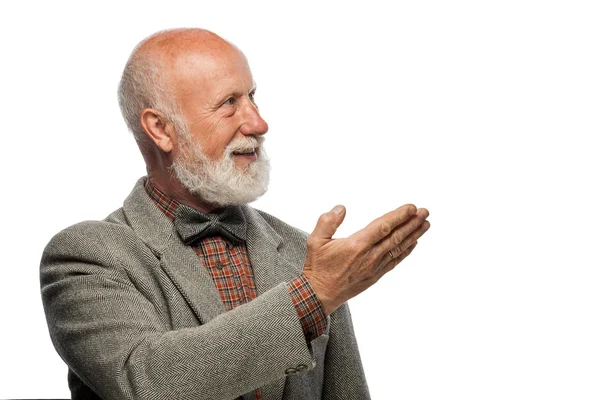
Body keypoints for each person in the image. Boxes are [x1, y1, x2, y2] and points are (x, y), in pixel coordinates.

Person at [40, 28, 430, 400]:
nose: (258, 123)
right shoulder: (85, 256)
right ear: (160, 129)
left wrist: (320, 286)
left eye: (253, 97)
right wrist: (313, 295)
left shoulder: (305, 254)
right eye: (229, 104)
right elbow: (147, 384)